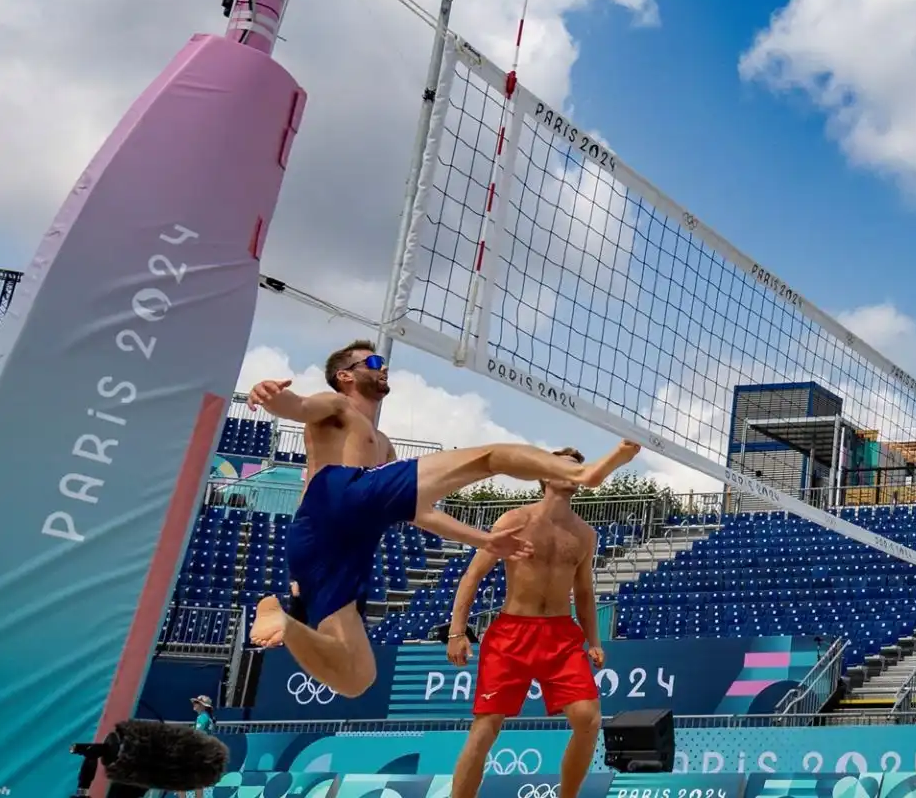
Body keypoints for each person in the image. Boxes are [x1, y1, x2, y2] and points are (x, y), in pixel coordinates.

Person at [245, 339, 642, 697]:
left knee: (356, 678)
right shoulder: (337, 406)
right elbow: (297, 407)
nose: (383, 368)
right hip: (330, 502)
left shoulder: (383, 447)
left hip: (348, 544)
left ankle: (286, 621)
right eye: (374, 361)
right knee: (490, 457)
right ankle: (583, 474)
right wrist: (269, 396)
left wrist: (484, 541)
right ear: (345, 376)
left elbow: (418, 513)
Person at [446, 447, 605, 798]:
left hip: (561, 635)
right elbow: (473, 576)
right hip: (513, 632)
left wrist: (593, 640)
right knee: (486, 727)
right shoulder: (514, 520)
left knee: (588, 719)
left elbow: (584, 593)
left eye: (578, 469)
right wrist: (457, 631)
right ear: (544, 475)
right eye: (564, 467)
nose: (573, 473)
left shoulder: (584, 534)